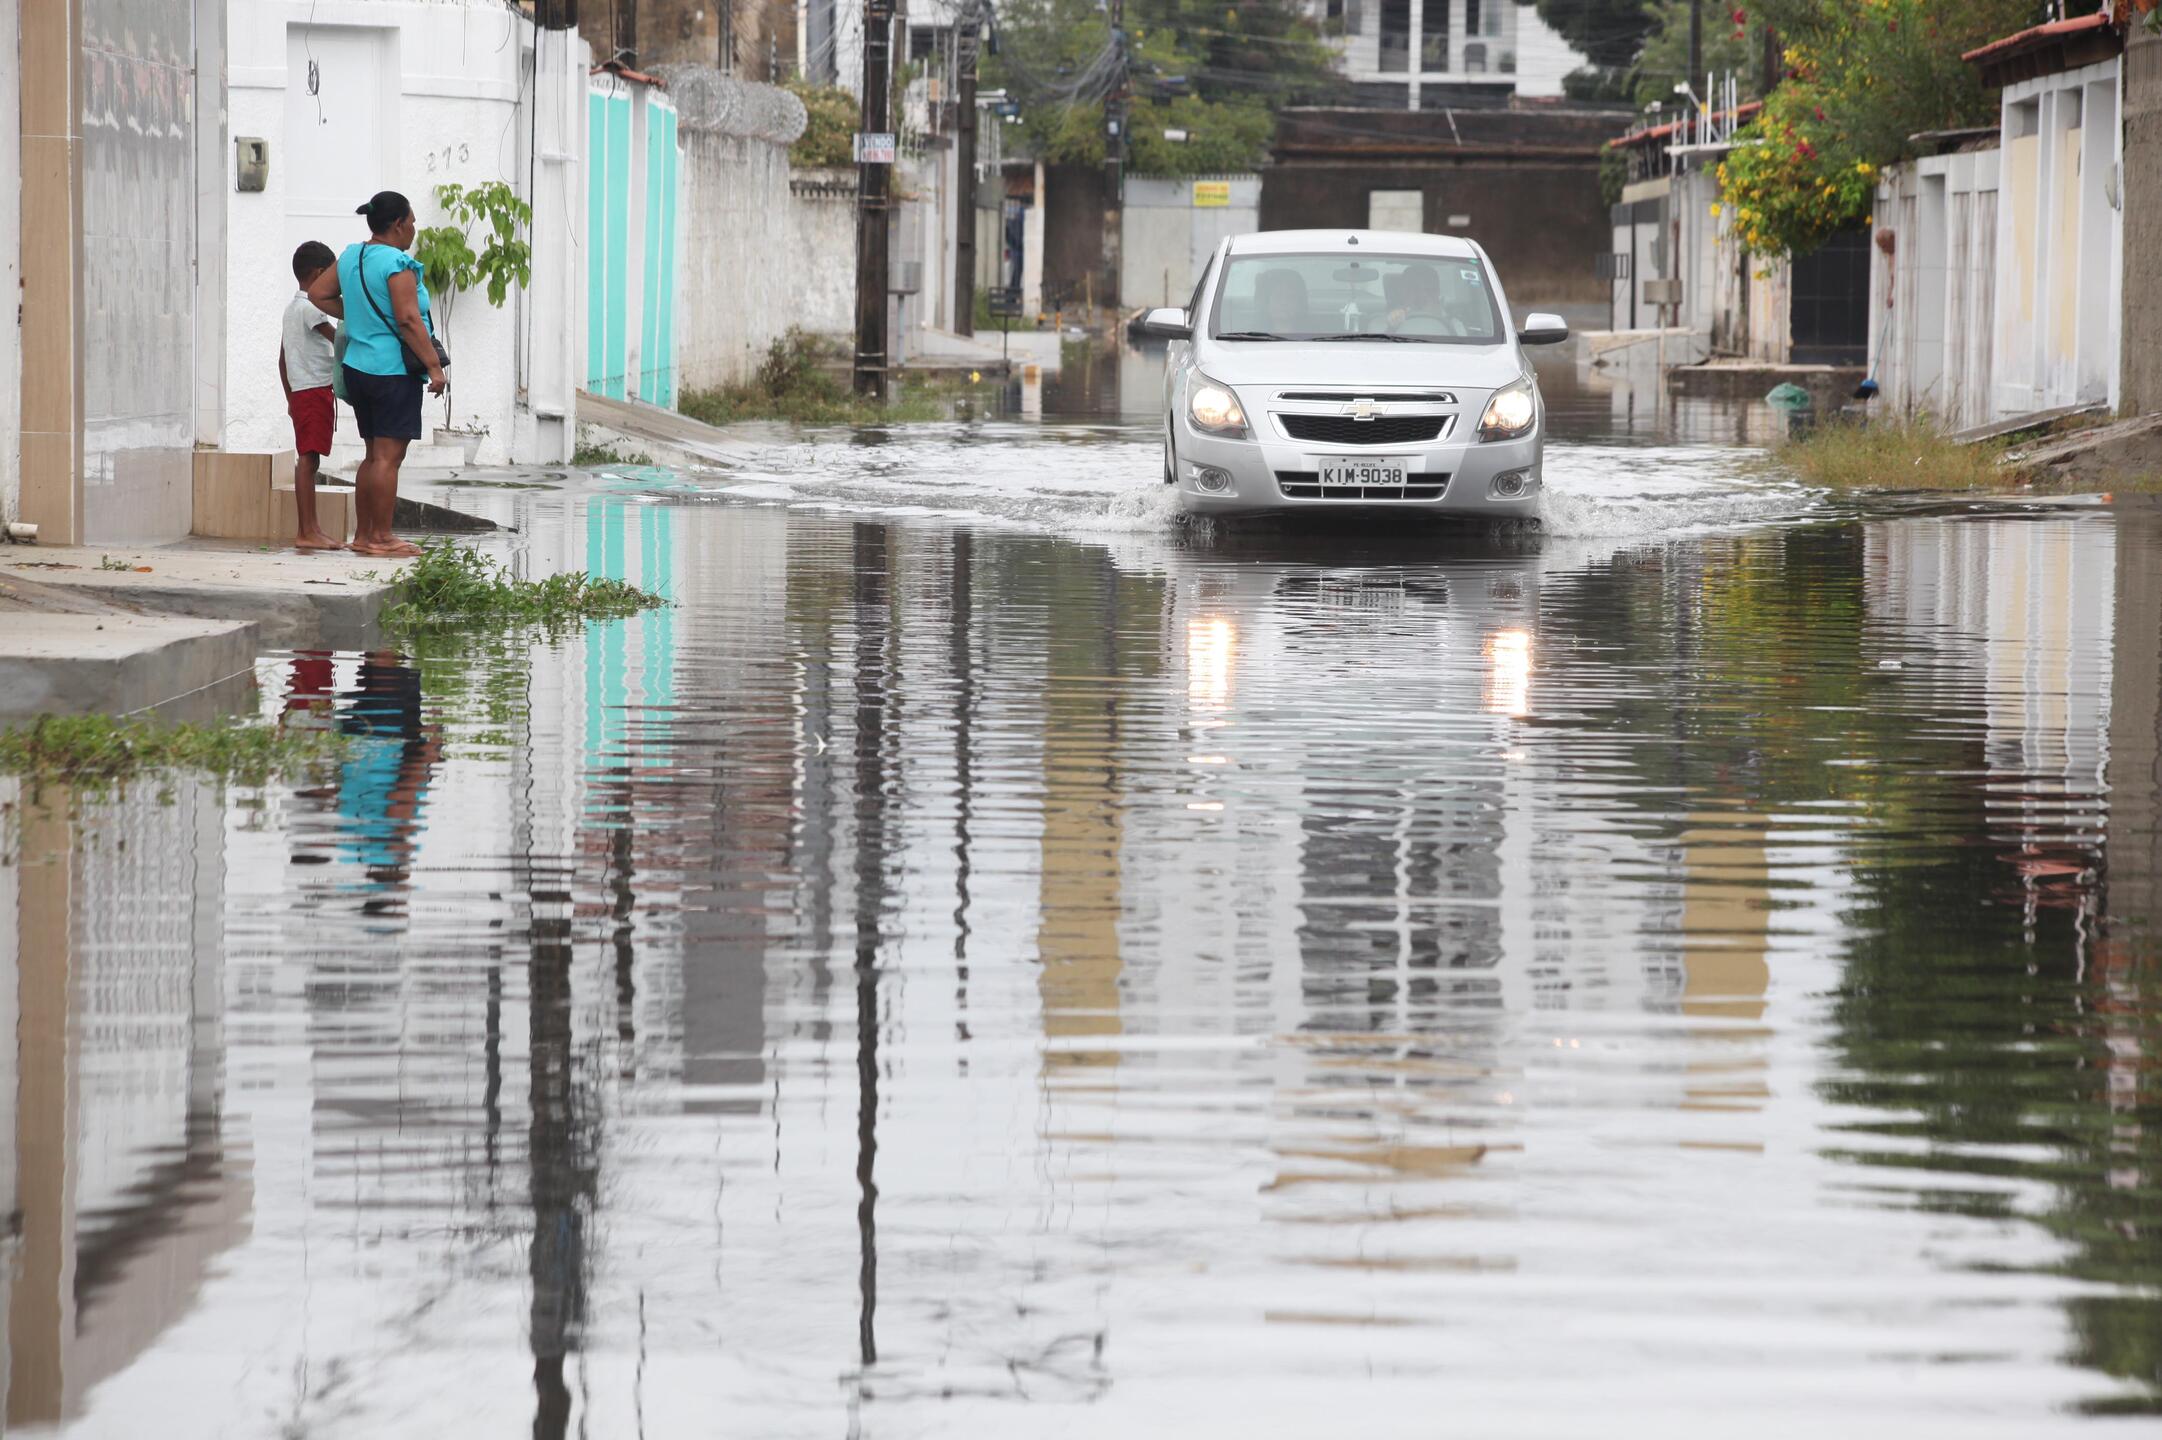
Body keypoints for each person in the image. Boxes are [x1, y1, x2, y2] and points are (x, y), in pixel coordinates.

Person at [305, 190, 447, 559]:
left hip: (358, 368)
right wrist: (434, 366)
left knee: (373, 455)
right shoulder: (398, 264)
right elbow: (408, 320)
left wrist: (355, 313)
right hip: (391, 371)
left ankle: (364, 535)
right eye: (412, 221)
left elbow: (317, 293)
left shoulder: (352, 255)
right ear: (398, 224)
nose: (414, 228)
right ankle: (381, 537)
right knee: (388, 458)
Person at [281, 241, 343, 551]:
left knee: (310, 458)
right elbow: (339, 339)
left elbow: (282, 360)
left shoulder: (291, 309)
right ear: (319, 274)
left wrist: (290, 398)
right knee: (308, 460)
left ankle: (312, 528)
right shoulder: (311, 308)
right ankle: (306, 530)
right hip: (314, 389)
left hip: (301, 392)